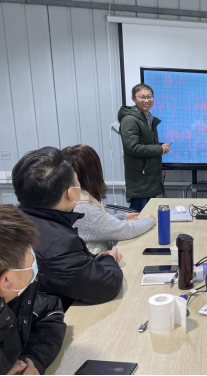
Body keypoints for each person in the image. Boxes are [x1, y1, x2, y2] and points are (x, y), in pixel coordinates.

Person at [12, 147, 124, 311]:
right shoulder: (59, 244)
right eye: (77, 181)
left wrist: (95, 259)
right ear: (71, 193)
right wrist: (110, 259)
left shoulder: (18, 218)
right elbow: (107, 287)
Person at [0, 204, 66, 375]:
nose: (34, 263)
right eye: (30, 258)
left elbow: (48, 312)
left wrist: (34, 360)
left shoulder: (17, 294)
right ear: (6, 280)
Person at [62, 144, 156, 255]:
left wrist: (121, 218)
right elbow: (125, 231)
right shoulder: (82, 207)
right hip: (94, 265)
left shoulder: (74, 199)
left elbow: (94, 223)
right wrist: (149, 220)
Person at [119, 83, 170, 213]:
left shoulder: (147, 118)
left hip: (149, 179)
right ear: (133, 99)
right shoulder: (130, 120)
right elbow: (133, 147)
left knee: (148, 217)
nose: (147, 100)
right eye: (142, 97)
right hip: (140, 181)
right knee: (138, 218)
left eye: (149, 97)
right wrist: (159, 149)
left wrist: (160, 146)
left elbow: (145, 143)